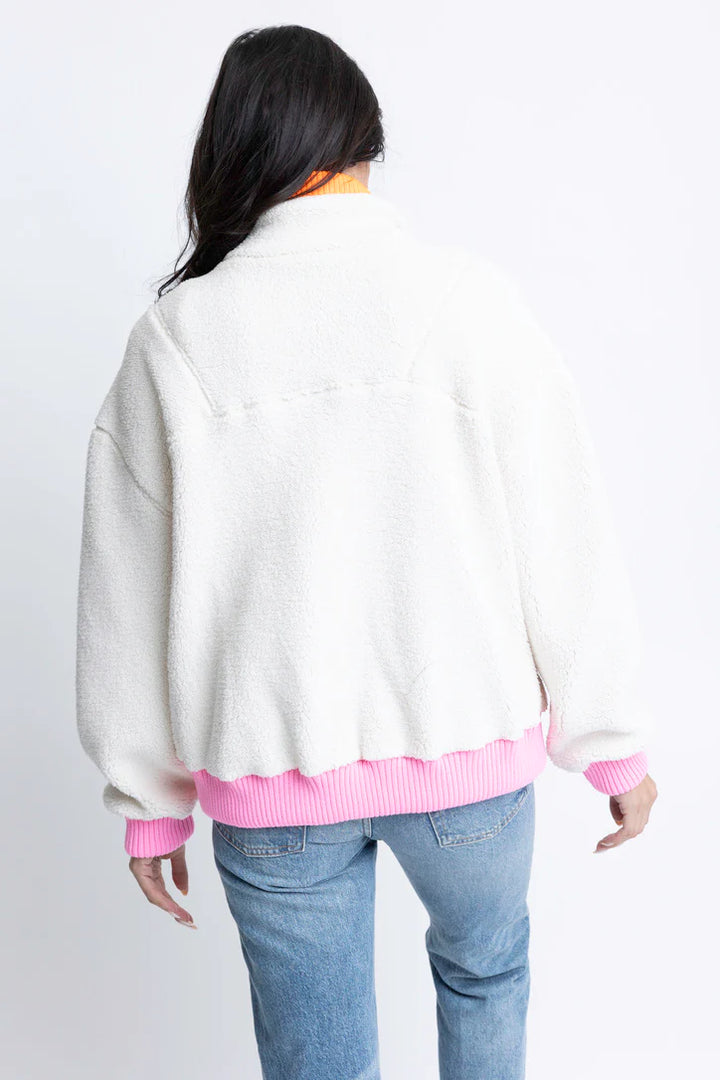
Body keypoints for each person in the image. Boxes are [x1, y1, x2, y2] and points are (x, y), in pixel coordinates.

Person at [75, 23, 658, 1080]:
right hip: (465, 763)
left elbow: (125, 594)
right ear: (363, 142)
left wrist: (149, 807)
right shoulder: (468, 302)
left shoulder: (177, 340)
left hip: (271, 780)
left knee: (318, 1060)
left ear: (237, 148)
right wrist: (610, 742)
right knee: (484, 978)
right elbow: (563, 532)